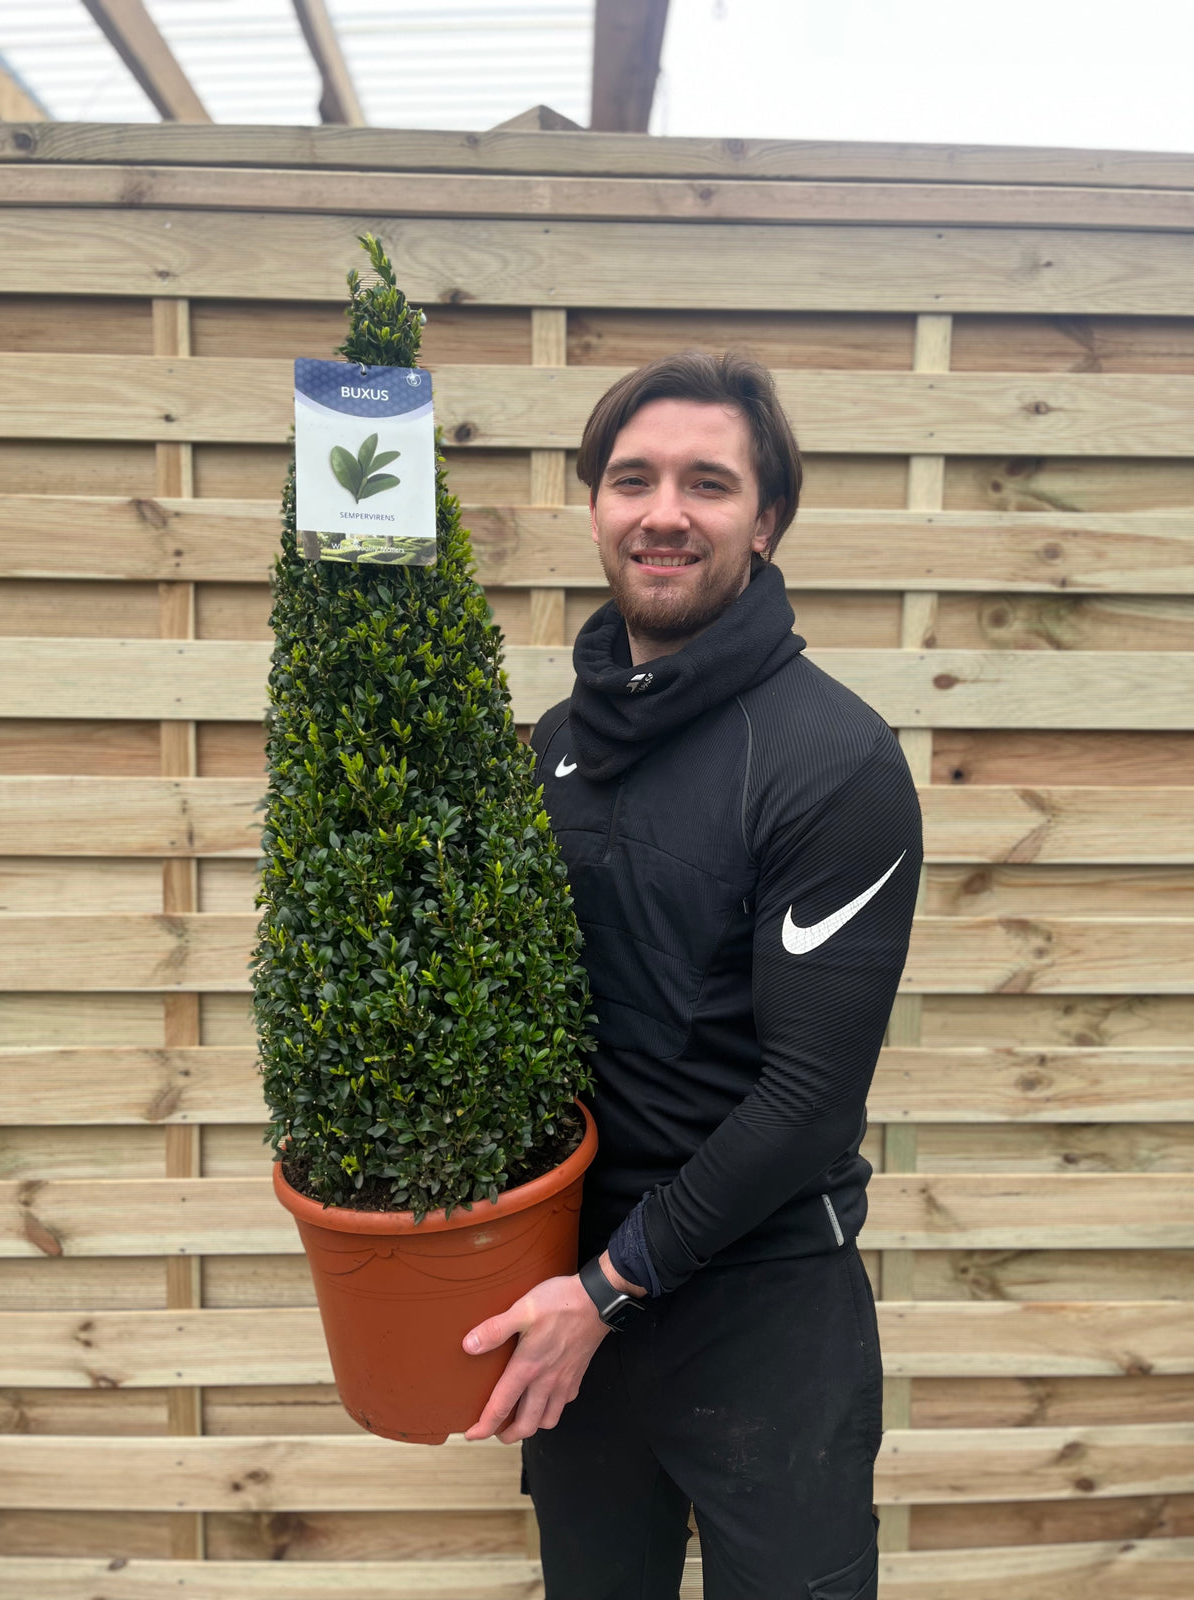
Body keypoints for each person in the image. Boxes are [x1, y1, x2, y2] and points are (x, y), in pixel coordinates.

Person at [461, 351, 922, 1600]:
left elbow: (811, 1093)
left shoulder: (834, 760)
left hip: (762, 1312)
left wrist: (608, 1288)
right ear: (597, 507)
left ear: (764, 522)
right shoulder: (556, 744)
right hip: (577, 1305)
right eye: (633, 478)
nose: (665, 510)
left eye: (707, 483)